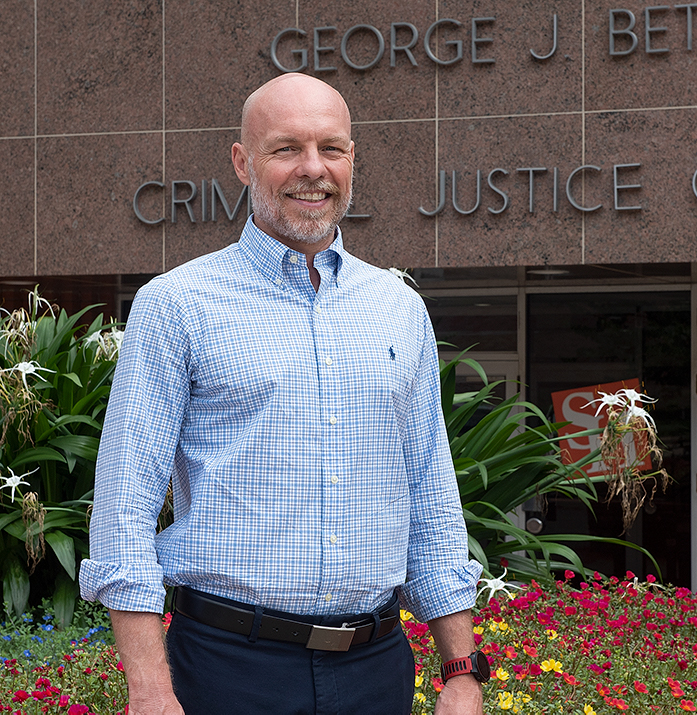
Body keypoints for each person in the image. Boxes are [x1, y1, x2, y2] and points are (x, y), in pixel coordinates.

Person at [79, 73, 485, 715]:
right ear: (243, 162)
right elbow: (126, 506)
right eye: (286, 148)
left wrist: (462, 673)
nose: (312, 169)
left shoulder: (398, 310)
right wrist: (150, 688)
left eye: (332, 148)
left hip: (376, 669)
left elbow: (430, 493)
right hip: (225, 669)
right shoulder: (177, 306)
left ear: (353, 160)